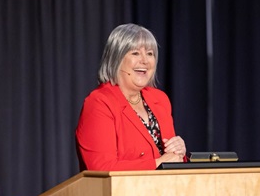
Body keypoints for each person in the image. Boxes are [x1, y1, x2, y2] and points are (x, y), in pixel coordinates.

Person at [76, 23, 186, 171]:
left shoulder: (160, 99)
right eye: (135, 53)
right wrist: (158, 163)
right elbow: (102, 168)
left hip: (164, 192)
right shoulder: (99, 102)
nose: (145, 61)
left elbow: (172, 161)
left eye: (150, 53)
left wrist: (180, 152)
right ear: (116, 59)